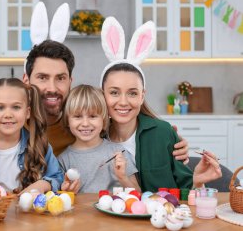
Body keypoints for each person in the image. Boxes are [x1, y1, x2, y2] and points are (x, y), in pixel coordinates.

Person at [99, 17, 222, 192]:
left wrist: (198, 183)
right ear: (102, 94)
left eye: (133, 93)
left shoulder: (163, 133)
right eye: (114, 92)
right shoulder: (93, 136)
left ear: (142, 96)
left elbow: (186, 190)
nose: (123, 102)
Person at [22, 40, 190, 162]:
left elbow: (125, 126)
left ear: (70, 81)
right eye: (42, 77)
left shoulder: (83, 121)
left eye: (60, 78)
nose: (52, 88)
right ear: (26, 80)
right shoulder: (11, 124)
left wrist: (168, 140)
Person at [58, 84, 140, 193]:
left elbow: (138, 194)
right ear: (68, 120)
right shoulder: (63, 160)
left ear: (104, 119)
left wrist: (122, 177)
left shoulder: (118, 153)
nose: (85, 123)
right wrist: (67, 192)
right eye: (77, 116)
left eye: (92, 116)